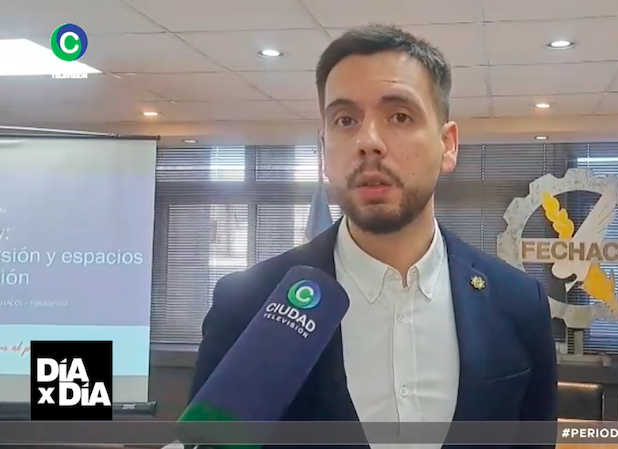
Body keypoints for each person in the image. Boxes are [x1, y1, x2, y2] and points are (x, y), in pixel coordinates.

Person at [189, 24, 557, 448]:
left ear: (448, 145)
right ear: (324, 149)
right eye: (345, 120)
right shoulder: (247, 305)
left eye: (400, 116)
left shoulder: (517, 303)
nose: (368, 141)